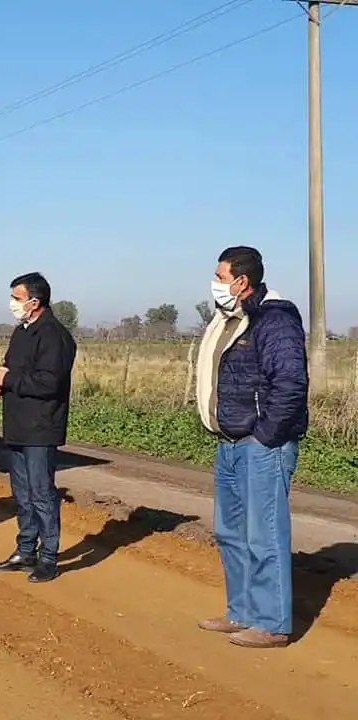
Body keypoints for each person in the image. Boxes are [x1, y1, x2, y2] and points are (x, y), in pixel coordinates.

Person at [195, 246, 308, 649]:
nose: (215, 283)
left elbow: (290, 383)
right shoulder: (231, 319)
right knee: (231, 532)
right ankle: (241, 612)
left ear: (241, 282)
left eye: (220, 276)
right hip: (229, 443)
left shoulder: (274, 320)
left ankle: (271, 623)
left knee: (264, 534)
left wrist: (265, 435)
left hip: (261, 445)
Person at [0, 272, 76, 583]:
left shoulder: (54, 336)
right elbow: (14, 372)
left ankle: (48, 557)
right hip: (17, 425)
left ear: (34, 302)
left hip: (40, 428)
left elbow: (50, 382)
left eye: (17, 298)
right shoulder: (21, 332)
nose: (12, 304)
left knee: (42, 494)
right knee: (22, 494)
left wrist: (8, 379)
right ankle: (25, 549)